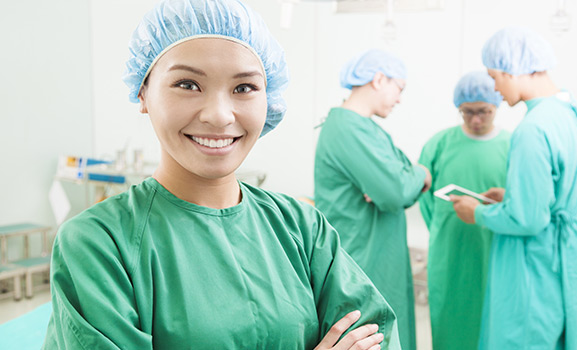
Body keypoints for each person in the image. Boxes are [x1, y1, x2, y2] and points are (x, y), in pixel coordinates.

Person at [43, 1, 402, 349]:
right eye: (187, 84)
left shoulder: (302, 229)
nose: (219, 115)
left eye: (244, 88)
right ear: (143, 92)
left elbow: (374, 335)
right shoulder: (98, 244)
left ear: (269, 97)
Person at [450, 27, 577, 349]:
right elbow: (566, 192)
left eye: (495, 76)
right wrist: (516, 194)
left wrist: (476, 213)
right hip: (574, 257)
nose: (494, 87)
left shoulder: (533, 129)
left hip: (536, 264)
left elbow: (528, 219)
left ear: (511, 69)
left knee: (527, 338)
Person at [314, 49, 432, 350]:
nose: (400, 98)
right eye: (399, 88)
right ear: (379, 79)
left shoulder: (366, 129)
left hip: (381, 256)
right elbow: (396, 190)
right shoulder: (346, 127)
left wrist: (404, 179)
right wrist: (416, 175)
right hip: (362, 262)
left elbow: (397, 185)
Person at [418, 71, 510, 350]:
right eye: (467, 112)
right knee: (449, 318)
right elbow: (425, 198)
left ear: (497, 105)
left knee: (491, 321)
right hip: (449, 252)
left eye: (484, 111)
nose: (476, 119)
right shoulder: (440, 144)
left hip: (495, 251)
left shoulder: (511, 146)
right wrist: (443, 228)